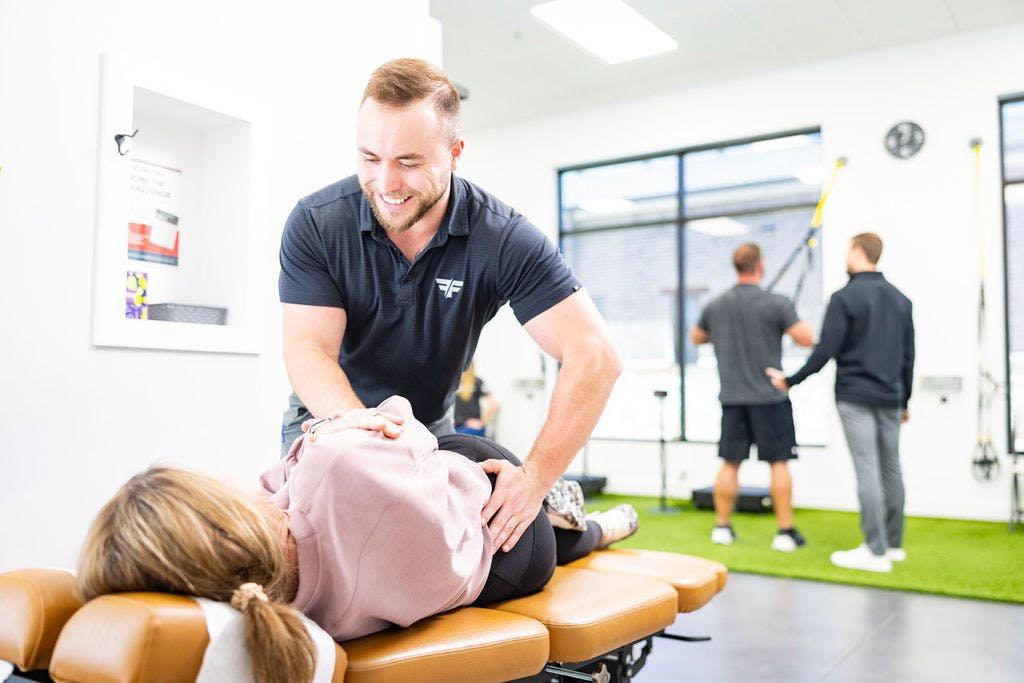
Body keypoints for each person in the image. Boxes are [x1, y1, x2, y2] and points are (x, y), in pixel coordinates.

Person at [277, 57, 621, 556]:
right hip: (332, 420)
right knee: (317, 562)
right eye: (370, 158)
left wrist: (534, 481)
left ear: (455, 153)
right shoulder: (316, 223)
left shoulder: (501, 238)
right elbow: (308, 348)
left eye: (409, 162)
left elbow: (596, 357)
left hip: (428, 433)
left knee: (490, 547)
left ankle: (585, 527)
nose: (386, 183)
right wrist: (369, 439)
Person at [77, 396, 639, 683]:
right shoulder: (330, 465)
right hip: (504, 528)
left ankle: (580, 525)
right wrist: (325, 431)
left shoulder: (281, 602)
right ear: (224, 516)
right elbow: (404, 427)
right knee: (478, 466)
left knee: (552, 537)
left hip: (471, 575)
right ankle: (576, 520)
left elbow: (281, 497)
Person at [768, 232, 914, 573]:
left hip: (856, 397)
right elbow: (909, 355)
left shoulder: (844, 297)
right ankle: (893, 546)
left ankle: (875, 552)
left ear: (859, 252)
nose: (845, 256)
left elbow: (824, 351)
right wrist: (904, 398)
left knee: (868, 470)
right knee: (891, 468)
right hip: (892, 397)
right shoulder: (901, 299)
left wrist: (789, 380)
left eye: (849, 250)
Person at [690, 243, 814, 552]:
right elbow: (808, 338)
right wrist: (782, 323)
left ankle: (722, 528)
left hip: (732, 399)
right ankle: (785, 533)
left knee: (730, 463)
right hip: (770, 399)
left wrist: (723, 332)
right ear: (761, 266)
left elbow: (696, 336)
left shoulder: (716, 305)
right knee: (779, 463)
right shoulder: (777, 303)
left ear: (737, 267)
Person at [454, 362, 499, 437]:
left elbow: (494, 404)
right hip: (458, 427)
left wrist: (481, 422)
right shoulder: (455, 383)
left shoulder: (477, 382)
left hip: (471, 428)